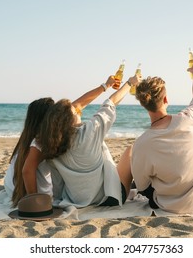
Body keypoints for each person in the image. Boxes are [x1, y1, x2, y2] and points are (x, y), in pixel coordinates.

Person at [130, 59, 193, 214]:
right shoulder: (191, 118)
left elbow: (142, 187)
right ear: (166, 99)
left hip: (173, 206)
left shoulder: (142, 143)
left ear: (143, 104)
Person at [38, 73, 141, 208]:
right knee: (131, 150)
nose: (79, 111)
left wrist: (60, 201)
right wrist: (130, 83)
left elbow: (58, 185)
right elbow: (111, 103)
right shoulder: (89, 132)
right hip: (109, 198)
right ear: (69, 119)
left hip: (77, 201)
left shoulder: (52, 147)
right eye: (75, 111)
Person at [4, 97, 54, 207]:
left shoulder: (27, 135)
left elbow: (76, 105)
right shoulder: (40, 141)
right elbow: (27, 171)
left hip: (11, 186)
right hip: (24, 190)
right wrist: (34, 201)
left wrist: (101, 88)